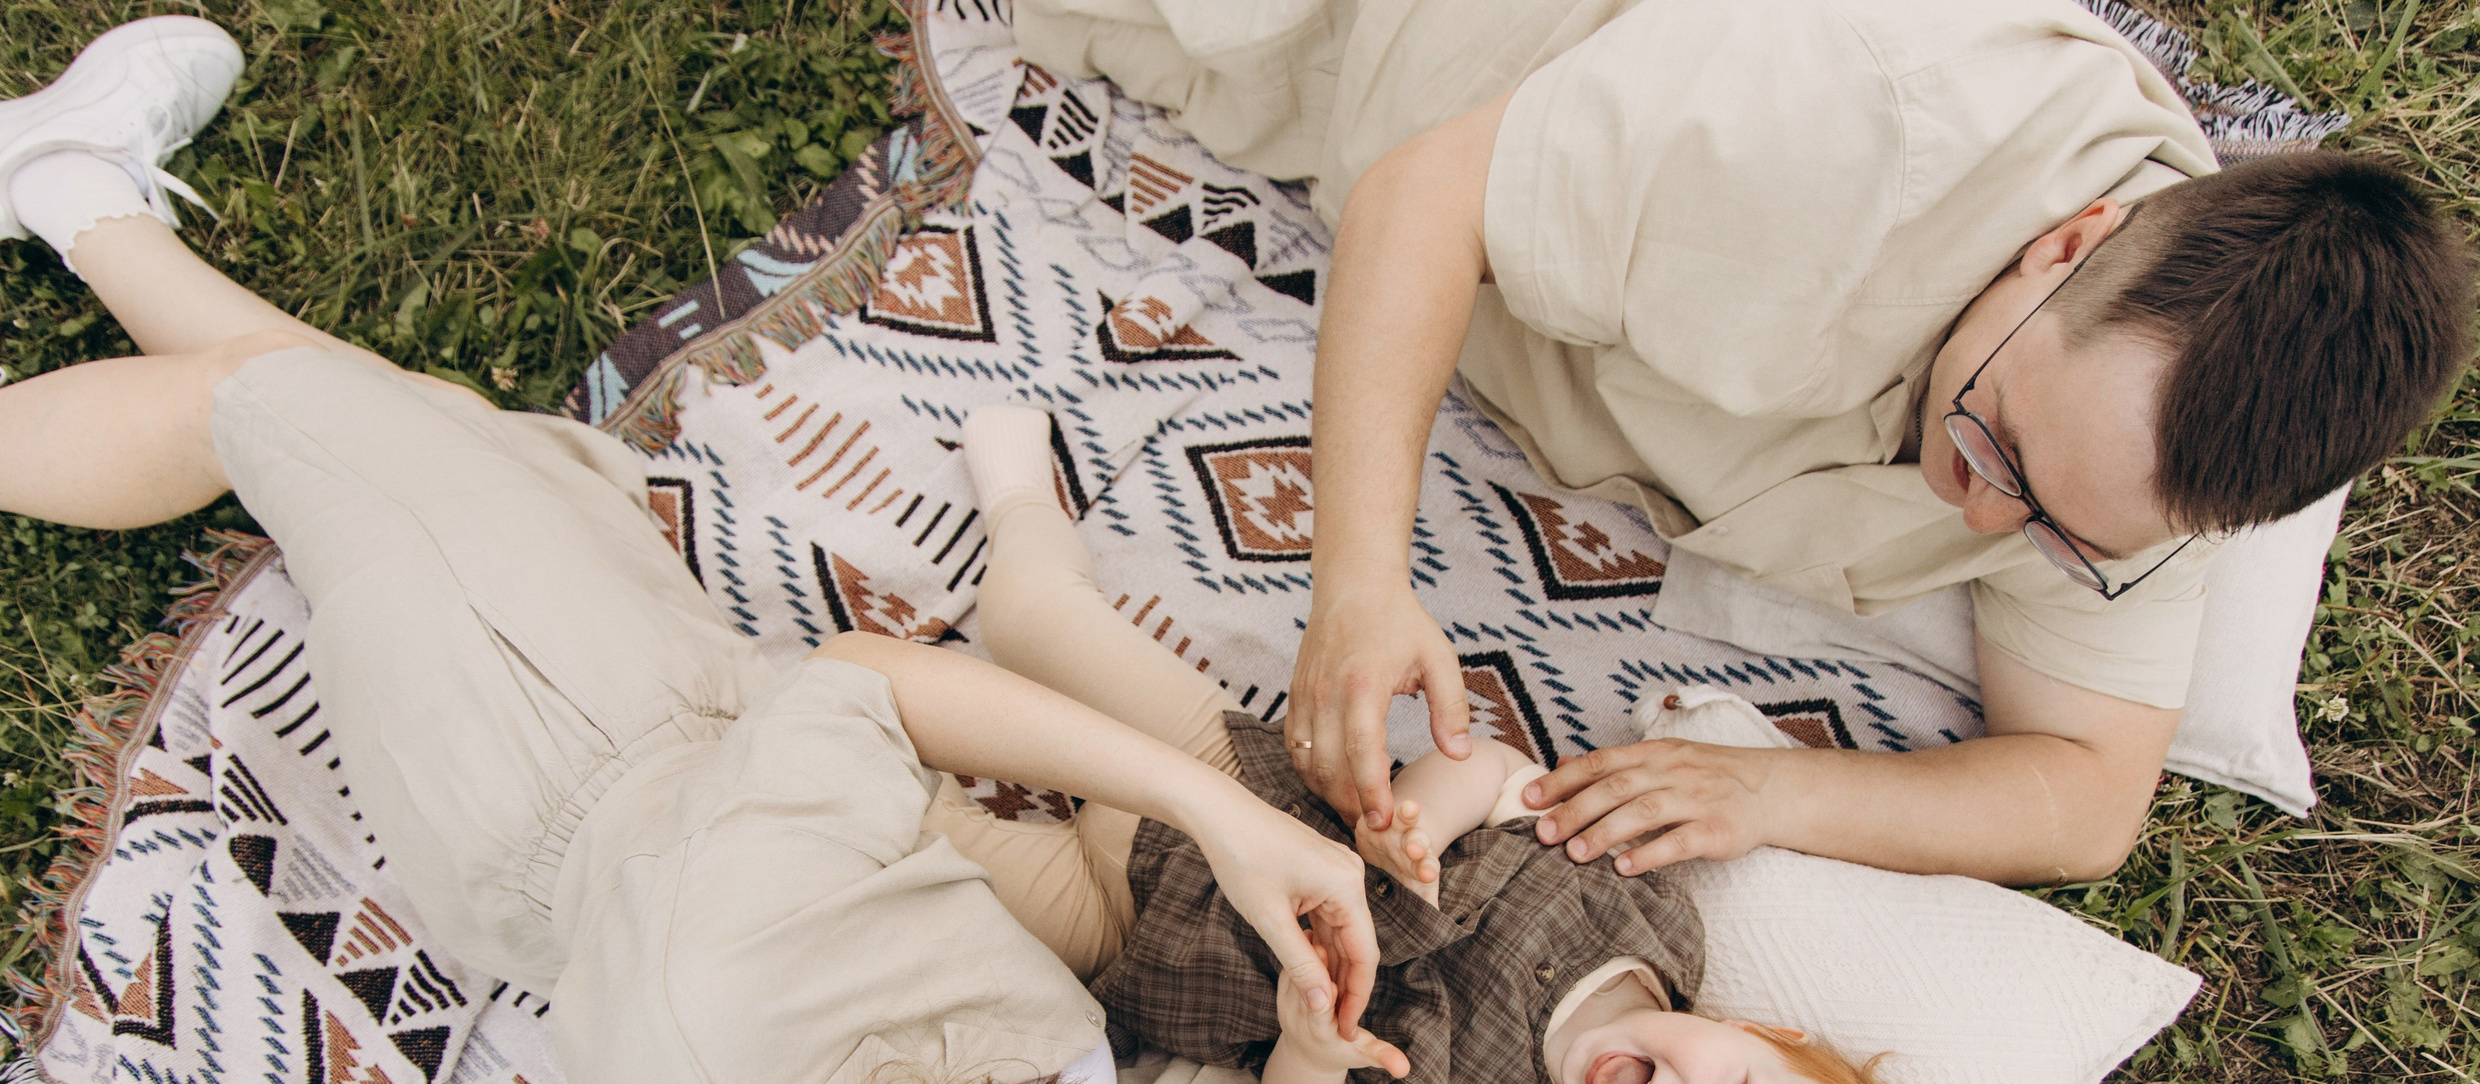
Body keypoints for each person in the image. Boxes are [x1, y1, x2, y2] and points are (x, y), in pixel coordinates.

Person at [0, 21, 1569, 1084]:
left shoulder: (761, 1004)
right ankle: (83, 198)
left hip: (552, 715)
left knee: (269, 416)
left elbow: (861, 692)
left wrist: (1219, 807)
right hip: (673, 775)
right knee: (397, 437)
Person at [1013, 0, 2476, 885]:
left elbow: (2089, 791)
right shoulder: (1843, 123)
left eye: (2058, 536)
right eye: (1996, 445)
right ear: (2064, 243)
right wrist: (1359, 581)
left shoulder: (2165, 435)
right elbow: (1420, 198)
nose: (1978, 526)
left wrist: (1775, 789)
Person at [935, 407, 1981, 1084]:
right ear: (1764, 1033)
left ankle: (811, 722)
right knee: (1033, 617)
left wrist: (1310, 1050)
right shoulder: (1647, 902)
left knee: (918, 834)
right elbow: (1489, 769)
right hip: (1227, 778)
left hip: (1146, 937)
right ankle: (1024, 503)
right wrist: (1418, 829)